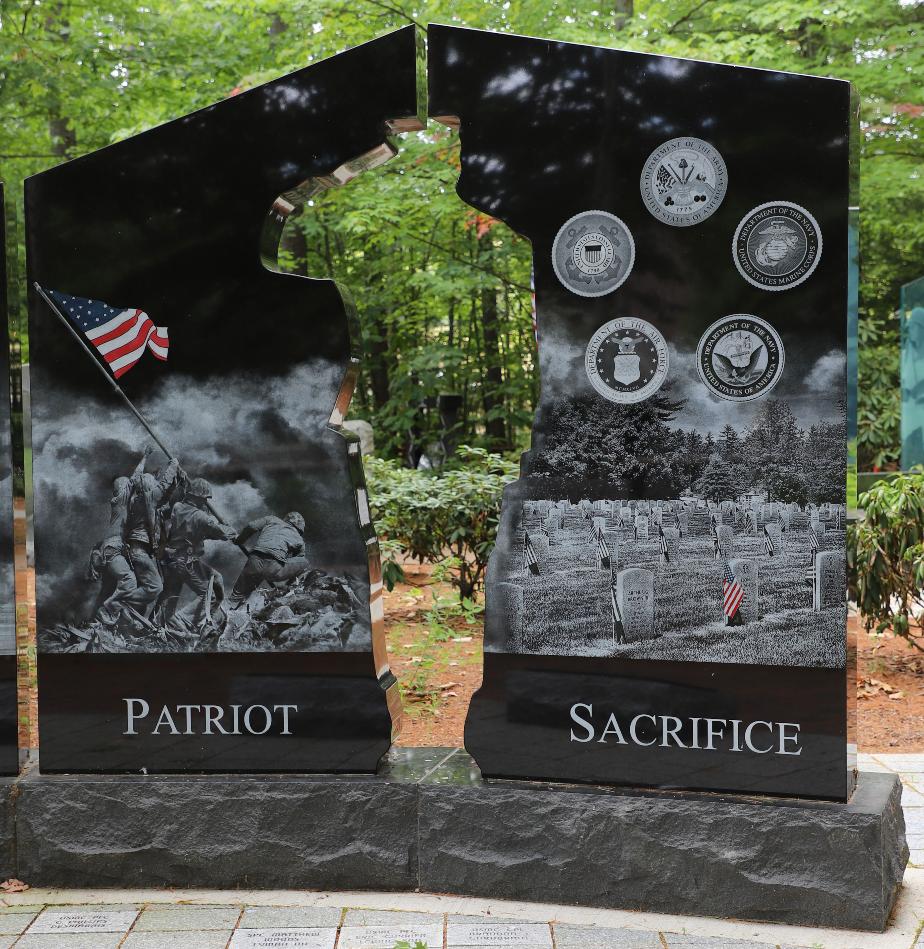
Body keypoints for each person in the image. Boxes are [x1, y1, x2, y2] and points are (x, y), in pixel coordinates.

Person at [158, 477, 237, 624]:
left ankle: (162, 622)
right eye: (205, 498)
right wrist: (229, 527)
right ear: (199, 497)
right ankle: (182, 621)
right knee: (207, 595)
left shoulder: (177, 507)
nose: (206, 502)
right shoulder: (201, 517)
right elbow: (223, 533)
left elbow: (199, 531)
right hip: (185, 561)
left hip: (174, 559)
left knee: (216, 579)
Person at [227, 511, 308, 607]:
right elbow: (298, 558)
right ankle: (285, 589)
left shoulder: (271, 519)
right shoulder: (299, 539)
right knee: (305, 562)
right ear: (300, 528)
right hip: (273, 569)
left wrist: (239, 540)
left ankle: (226, 608)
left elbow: (251, 526)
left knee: (236, 596)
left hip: (254, 561)